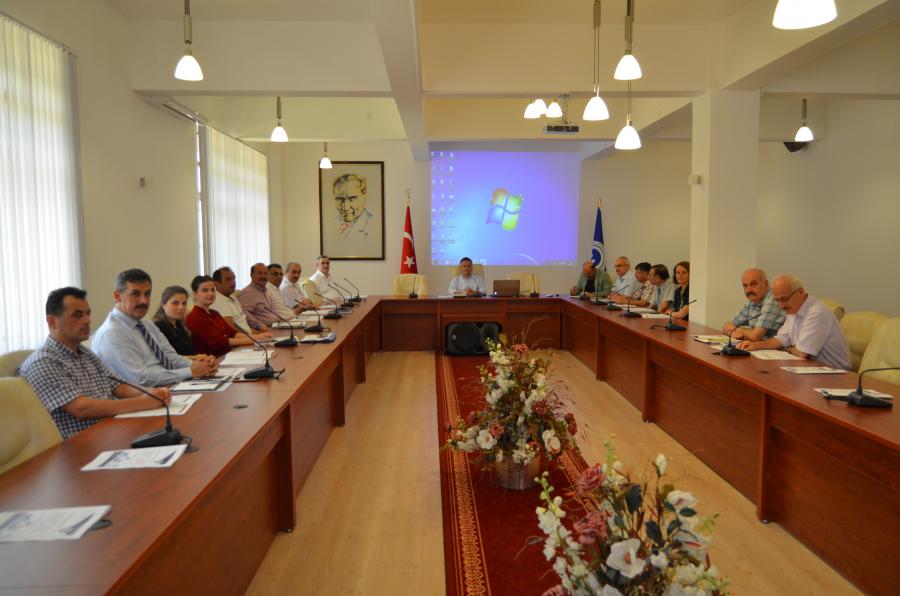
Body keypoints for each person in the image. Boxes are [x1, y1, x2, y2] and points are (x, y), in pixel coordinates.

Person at [19, 287, 172, 439]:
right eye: (77, 315)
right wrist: (144, 402)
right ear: (52, 321)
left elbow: (120, 387)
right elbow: (82, 409)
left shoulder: (85, 353)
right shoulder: (43, 362)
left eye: (87, 314)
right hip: (80, 446)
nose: (87, 320)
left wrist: (152, 393)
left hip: (111, 431)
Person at [92, 268, 217, 386]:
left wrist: (202, 365)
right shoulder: (112, 332)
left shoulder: (146, 324)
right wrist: (191, 371)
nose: (144, 301)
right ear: (117, 296)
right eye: (135, 294)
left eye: (147, 294)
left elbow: (171, 358)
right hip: (143, 397)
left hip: (170, 386)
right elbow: (140, 379)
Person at [737, 274, 851, 369]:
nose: (781, 306)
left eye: (784, 299)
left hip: (836, 374)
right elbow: (782, 338)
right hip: (810, 368)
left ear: (800, 292)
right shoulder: (793, 309)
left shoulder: (817, 312)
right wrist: (756, 345)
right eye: (777, 300)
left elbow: (802, 352)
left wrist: (789, 348)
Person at [186, 275, 258, 357]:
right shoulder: (195, 316)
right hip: (214, 361)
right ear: (195, 294)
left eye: (213, 290)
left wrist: (257, 337)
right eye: (205, 290)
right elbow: (219, 342)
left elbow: (233, 334)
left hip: (229, 355)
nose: (210, 293)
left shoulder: (214, 313)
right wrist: (253, 340)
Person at [722, 268, 786, 341]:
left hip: (778, 350)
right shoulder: (752, 301)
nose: (749, 290)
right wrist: (733, 332)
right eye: (745, 286)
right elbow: (727, 326)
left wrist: (740, 330)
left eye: (753, 284)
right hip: (760, 348)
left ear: (765, 284)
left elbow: (755, 336)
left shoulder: (774, 299)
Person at [211, 266, 270, 336]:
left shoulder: (233, 297)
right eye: (228, 279)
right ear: (217, 283)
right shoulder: (218, 299)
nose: (233, 283)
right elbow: (231, 328)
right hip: (239, 342)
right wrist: (257, 337)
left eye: (234, 279)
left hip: (248, 338)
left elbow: (244, 327)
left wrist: (261, 334)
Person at [151, 286, 197, 356]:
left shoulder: (179, 326)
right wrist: (197, 358)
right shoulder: (159, 327)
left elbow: (190, 352)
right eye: (175, 303)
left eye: (184, 303)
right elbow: (170, 358)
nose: (181, 307)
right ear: (163, 304)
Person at [238, 263, 283, 328]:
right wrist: (261, 327)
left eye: (265, 273)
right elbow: (245, 314)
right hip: (265, 331)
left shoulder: (265, 291)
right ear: (252, 275)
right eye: (260, 273)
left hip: (276, 327)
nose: (263, 276)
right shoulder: (248, 292)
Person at [333, 173, 373, 239]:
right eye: (340, 199)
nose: (346, 207)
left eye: (352, 198)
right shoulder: (331, 223)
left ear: (364, 197)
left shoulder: (373, 225)